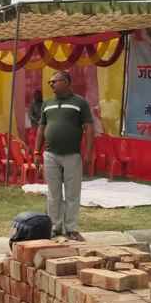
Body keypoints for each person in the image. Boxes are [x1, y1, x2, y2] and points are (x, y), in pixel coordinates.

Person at [33, 70, 93, 241]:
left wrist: (88, 153)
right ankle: (54, 227)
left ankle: (71, 228)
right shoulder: (47, 104)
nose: (51, 84)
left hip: (72, 155)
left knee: (72, 193)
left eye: (54, 81)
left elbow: (89, 128)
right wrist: (36, 152)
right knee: (53, 193)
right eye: (50, 82)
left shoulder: (80, 103)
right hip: (50, 155)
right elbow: (41, 129)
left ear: (66, 82)